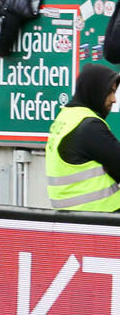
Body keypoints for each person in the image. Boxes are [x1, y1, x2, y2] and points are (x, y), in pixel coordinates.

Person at [46, 63, 120, 211]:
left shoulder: (67, 117)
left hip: (75, 217)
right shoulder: (89, 126)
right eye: (110, 92)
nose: (114, 99)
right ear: (95, 91)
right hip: (102, 217)